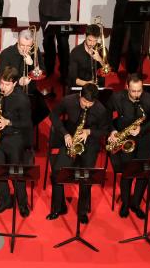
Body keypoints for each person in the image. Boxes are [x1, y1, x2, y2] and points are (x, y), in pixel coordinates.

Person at [47, 83, 109, 224]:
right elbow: (54, 116)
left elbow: (105, 130)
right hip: (70, 140)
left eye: (90, 103)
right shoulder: (68, 101)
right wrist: (65, 134)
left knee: (86, 177)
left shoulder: (100, 110)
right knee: (57, 172)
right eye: (84, 101)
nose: (87, 105)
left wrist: (89, 132)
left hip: (90, 145)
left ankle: (82, 211)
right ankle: (58, 207)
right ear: (80, 96)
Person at [106, 74, 150, 219]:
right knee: (127, 172)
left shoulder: (149, 100)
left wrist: (141, 129)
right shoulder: (116, 98)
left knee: (143, 172)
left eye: (139, 91)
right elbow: (106, 116)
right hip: (125, 138)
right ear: (127, 87)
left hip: (145, 139)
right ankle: (125, 203)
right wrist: (112, 130)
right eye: (133, 91)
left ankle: (136, 204)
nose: (136, 95)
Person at [0, 67, 32, 217]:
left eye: (6, 84)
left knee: (16, 171)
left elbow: (27, 123)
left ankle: (22, 203)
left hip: (15, 138)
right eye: (1, 83)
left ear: (15, 83)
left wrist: (8, 122)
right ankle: (4, 200)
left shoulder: (22, 99)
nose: (2, 87)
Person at [0, 28, 49, 129]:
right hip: (12, 92)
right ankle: (18, 128)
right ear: (17, 42)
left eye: (28, 46)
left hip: (30, 91)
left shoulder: (35, 51)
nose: (25, 49)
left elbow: (43, 71)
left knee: (42, 110)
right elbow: (0, 76)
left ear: (32, 44)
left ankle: (27, 128)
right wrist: (18, 81)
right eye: (22, 45)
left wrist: (33, 64)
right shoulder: (7, 53)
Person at [68, 24, 107, 89]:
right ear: (85, 36)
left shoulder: (102, 49)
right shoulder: (75, 52)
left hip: (98, 86)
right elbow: (73, 79)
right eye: (89, 40)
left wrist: (100, 59)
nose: (92, 44)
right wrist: (87, 84)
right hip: (82, 86)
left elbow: (107, 71)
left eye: (95, 41)